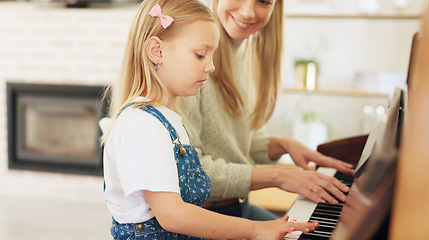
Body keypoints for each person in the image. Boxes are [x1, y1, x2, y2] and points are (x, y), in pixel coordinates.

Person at [101, 0, 319, 239]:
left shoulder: (169, 120)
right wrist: (255, 229)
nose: (212, 66)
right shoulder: (142, 125)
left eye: (212, 55)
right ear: (157, 51)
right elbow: (173, 215)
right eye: (200, 55)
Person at [179, 0, 355, 220]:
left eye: (263, 1)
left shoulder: (248, 56)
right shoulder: (191, 64)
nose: (248, 11)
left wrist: (282, 145)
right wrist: (278, 176)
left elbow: (240, 141)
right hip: (203, 216)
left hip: (239, 206)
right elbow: (188, 174)